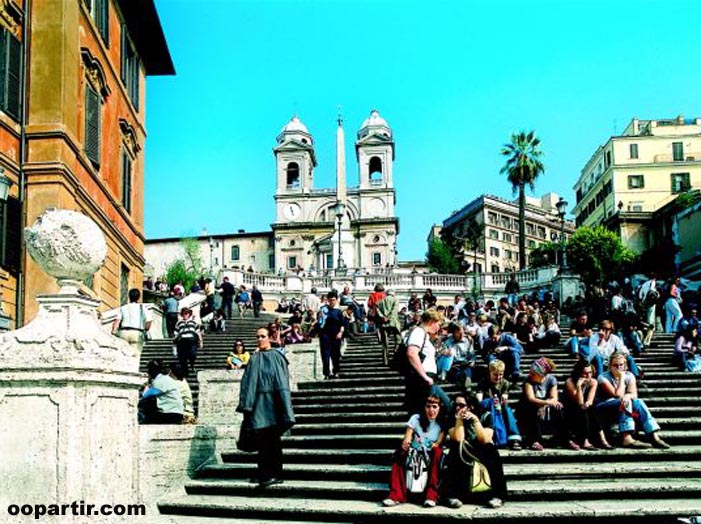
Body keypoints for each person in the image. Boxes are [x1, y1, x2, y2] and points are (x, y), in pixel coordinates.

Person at [237, 326, 296, 487]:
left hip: (274, 404)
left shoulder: (278, 357)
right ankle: (264, 473)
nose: (260, 339)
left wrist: (284, 406)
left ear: (270, 337)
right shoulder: (255, 358)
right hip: (259, 404)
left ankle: (275, 474)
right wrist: (246, 405)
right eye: (258, 336)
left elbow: (282, 383)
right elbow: (248, 383)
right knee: (262, 441)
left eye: (263, 336)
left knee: (273, 441)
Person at [442, 393, 507, 509]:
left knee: (491, 450)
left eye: (461, 405)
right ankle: (452, 495)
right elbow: (458, 438)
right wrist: (459, 421)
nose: (457, 408)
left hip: (480, 450)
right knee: (455, 449)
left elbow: (486, 439)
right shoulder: (451, 418)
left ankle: (497, 496)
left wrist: (476, 421)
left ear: (471, 406)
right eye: (456, 405)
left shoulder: (486, 415)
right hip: (463, 451)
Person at [595, 351, 669, 449]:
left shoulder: (630, 375)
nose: (618, 368)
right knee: (625, 401)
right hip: (604, 407)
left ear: (625, 365)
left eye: (621, 365)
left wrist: (627, 396)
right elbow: (617, 395)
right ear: (610, 365)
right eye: (615, 365)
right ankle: (626, 438)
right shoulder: (603, 377)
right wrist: (621, 378)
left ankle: (653, 435)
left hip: (623, 407)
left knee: (638, 402)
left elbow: (634, 394)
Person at [382, 394, 445, 508]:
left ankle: (432, 495)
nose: (431, 410)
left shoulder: (442, 423)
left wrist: (428, 447)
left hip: (429, 453)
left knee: (437, 451)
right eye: (428, 406)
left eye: (434, 406)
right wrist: (406, 444)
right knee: (400, 452)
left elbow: (437, 443)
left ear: (440, 407)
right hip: (415, 450)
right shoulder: (416, 418)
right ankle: (396, 495)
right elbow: (407, 437)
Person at [403, 308, 451, 417]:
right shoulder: (418, 332)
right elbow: (412, 353)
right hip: (421, 379)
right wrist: (425, 376)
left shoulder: (424, 335)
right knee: (444, 405)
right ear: (431, 321)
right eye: (438, 324)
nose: (438, 327)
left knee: (425, 412)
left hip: (426, 378)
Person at [517, 357, 568, 451]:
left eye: (533, 373)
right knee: (531, 408)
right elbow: (531, 398)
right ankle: (534, 440)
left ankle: (563, 439)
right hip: (527, 407)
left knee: (558, 407)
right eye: (530, 371)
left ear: (541, 374)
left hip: (543, 406)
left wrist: (544, 405)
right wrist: (545, 403)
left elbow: (554, 398)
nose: (530, 374)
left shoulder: (551, 380)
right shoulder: (528, 380)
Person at [475, 360, 522, 450]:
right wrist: (491, 401)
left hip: (499, 408)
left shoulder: (505, 383)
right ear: (490, 373)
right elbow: (479, 401)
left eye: (500, 374)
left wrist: (503, 401)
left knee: (507, 409)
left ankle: (514, 438)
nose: (498, 377)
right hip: (486, 409)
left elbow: (504, 398)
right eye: (495, 375)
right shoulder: (483, 382)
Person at [563, 360, 611, 449]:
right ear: (579, 373)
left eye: (590, 372)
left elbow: (590, 400)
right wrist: (578, 386)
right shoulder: (570, 382)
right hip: (569, 411)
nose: (588, 376)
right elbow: (579, 402)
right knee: (583, 410)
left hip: (585, 409)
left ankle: (602, 439)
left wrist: (587, 404)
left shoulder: (593, 382)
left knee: (592, 409)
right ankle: (585, 440)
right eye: (585, 373)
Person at [139, 359, 183, 424]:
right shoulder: (166, 379)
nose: (148, 372)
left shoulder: (160, 381)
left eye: (149, 370)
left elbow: (145, 395)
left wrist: (147, 384)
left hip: (170, 414)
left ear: (153, 370)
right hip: (177, 413)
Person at [112, 288, 152, 354]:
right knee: (136, 355)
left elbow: (117, 321)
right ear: (139, 297)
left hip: (123, 333)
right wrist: (146, 329)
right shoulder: (142, 308)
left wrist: (114, 332)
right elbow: (149, 321)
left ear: (129, 296)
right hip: (137, 333)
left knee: (123, 355)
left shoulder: (123, 307)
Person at [319, 292, 345, 379]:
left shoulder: (338, 312)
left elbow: (342, 324)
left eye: (333, 300)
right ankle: (326, 373)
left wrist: (340, 333)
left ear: (336, 300)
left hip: (335, 335)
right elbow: (319, 322)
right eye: (330, 300)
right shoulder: (323, 310)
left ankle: (336, 371)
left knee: (336, 355)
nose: (332, 301)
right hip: (325, 335)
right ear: (328, 300)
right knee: (325, 354)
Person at [173, 307, 202, 375]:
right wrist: (174, 344)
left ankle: (192, 364)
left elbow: (198, 332)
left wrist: (200, 341)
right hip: (182, 341)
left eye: (186, 313)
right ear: (182, 314)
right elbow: (176, 334)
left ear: (189, 314)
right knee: (182, 357)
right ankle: (186, 371)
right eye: (184, 313)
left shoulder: (194, 322)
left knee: (192, 354)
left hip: (191, 341)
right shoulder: (178, 323)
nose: (185, 315)